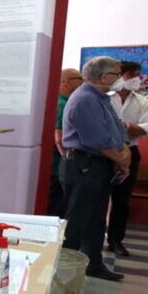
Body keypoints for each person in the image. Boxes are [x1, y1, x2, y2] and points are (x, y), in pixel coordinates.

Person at [61, 56, 129, 282]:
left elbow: (117, 129)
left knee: (97, 219)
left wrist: (124, 149)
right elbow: (96, 140)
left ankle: (93, 263)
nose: (120, 78)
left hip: (99, 163)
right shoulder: (85, 99)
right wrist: (120, 160)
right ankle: (63, 272)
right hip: (84, 164)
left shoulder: (102, 97)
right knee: (78, 219)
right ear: (104, 76)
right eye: (117, 74)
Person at [107, 61, 148, 256]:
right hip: (103, 152)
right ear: (119, 75)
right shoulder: (105, 96)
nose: (136, 79)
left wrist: (130, 127)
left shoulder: (142, 101)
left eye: (138, 75)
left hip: (131, 151)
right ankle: (92, 239)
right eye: (132, 75)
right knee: (97, 197)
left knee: (122, 200)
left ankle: (115, 241)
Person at [49, 68, 83, 218]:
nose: (82, 81)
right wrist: (67, 159)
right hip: (61, 160)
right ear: (65, 81)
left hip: (62, 160)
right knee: (57, 203)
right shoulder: (62, 104)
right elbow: (59, 137)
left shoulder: (69, 101)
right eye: (79, 78)